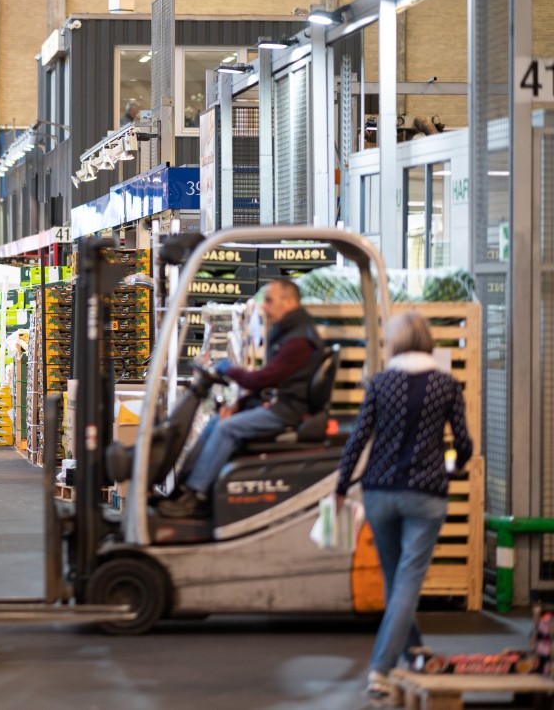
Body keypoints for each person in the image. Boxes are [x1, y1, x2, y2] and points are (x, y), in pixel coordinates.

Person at [334, 311, 472, 703]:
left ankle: (414, 652)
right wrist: (454, 465)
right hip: (426, 494)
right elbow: (463, 443)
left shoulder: (380, 382)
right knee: (407, 582)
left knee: (397, 580)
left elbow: (358, 437)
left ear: (393, 343)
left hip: (378, 492)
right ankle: (380, 669)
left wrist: (341, 486)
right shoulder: (445, 384)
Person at [158, 279, 323, 518]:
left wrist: (227, 368)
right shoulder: (288, 332)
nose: (264, 307)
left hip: (289, 410)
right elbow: (271, 380)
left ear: (289, 302)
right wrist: (239, 405)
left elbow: (261, 379)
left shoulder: (298, 340)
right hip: (280, 402)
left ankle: (196, 495)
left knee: (227, 429)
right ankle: (183, 486)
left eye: (269, 301)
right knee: (217, 420)